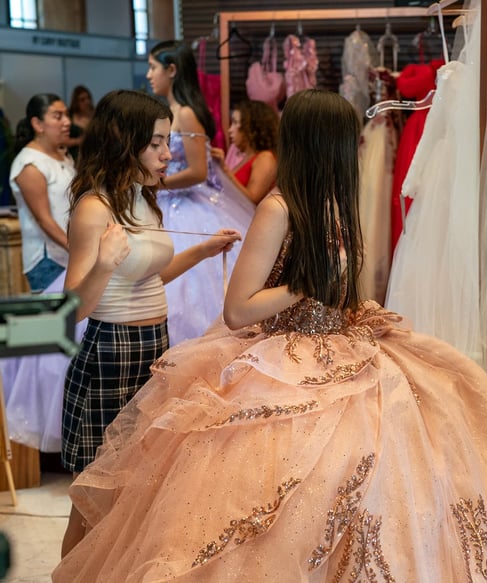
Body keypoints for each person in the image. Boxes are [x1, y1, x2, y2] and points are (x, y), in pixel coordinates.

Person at [52, 89, 487, 581]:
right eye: (157, 143)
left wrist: (336, 300)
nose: (359, 153)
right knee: (116, 480)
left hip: (314, 346)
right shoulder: (277, 209)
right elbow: (239, 310)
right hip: (152, 348)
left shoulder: (326, 204)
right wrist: (308, 286)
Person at [57, 89, 240, 557]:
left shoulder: (142, 197)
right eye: (156, 143)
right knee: (93, 502)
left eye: (167, 142)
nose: (167, 155)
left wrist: (202, 251)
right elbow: (70, 311)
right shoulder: (95, 207)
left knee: (135, 493)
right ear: (125, 142)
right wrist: (103, 265)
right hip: (110, 354)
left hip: (153, 348)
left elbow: (149, 277)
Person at [147, 39, 256, 345]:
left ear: (172, 70)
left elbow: (197, 172)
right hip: (167, 201)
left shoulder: (185, 113)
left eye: (153, 67)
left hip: (186, 203)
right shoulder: (170, 111)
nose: (149, 75)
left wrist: (156, 184)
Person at [10, 93, 74, 292]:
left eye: (66, 115)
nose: (67, 122)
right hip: (49, 260)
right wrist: (77, 249)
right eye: (58, 116)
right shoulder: (30, 163)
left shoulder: (64, 156)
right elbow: (44, 219)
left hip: (69, 254)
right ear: (38, 124)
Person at [211, 99, 278, 206]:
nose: (230, 130)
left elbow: (252, 200)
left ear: (251, 127)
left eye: (235, 123)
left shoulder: (266, 157)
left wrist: (225, 170)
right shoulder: (249, 157)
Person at [65, 85, 95, 160]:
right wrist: (78, 141)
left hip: (92, 155)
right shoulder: (69, 117)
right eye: (82, 100)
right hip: (74, 156)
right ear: (76, 102)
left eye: (88, 98)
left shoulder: (95, 115)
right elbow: (61, 141)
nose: (87, 102)